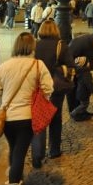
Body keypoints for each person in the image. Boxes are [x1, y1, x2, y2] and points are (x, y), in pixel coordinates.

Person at [0, 32, 53, 185]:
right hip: (28, 116)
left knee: (14, 147)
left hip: (8, 117)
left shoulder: (3, 67)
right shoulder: (38, 65)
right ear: (33, 46)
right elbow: (48, 88)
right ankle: (13, 181)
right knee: (20, 151)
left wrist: (3, 104)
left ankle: (14, 173)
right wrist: (40, 97)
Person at [31, 19, 75, 166]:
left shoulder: (35, 45)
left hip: (39, 87)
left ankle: (38, 153)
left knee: (39, 117)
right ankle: (54, 150)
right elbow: (70, 66)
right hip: (56, 87)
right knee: (55, 118)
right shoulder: (61, 45)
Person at [68, 32, 93, 121]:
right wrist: (89, 68)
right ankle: (75, 113)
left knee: (78, 88)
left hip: (75, 64)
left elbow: (91, 58)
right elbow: (91, 59)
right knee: (73, 89)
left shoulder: (89, 40)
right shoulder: (88, 44)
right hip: (71, 65)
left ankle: (80, 111)